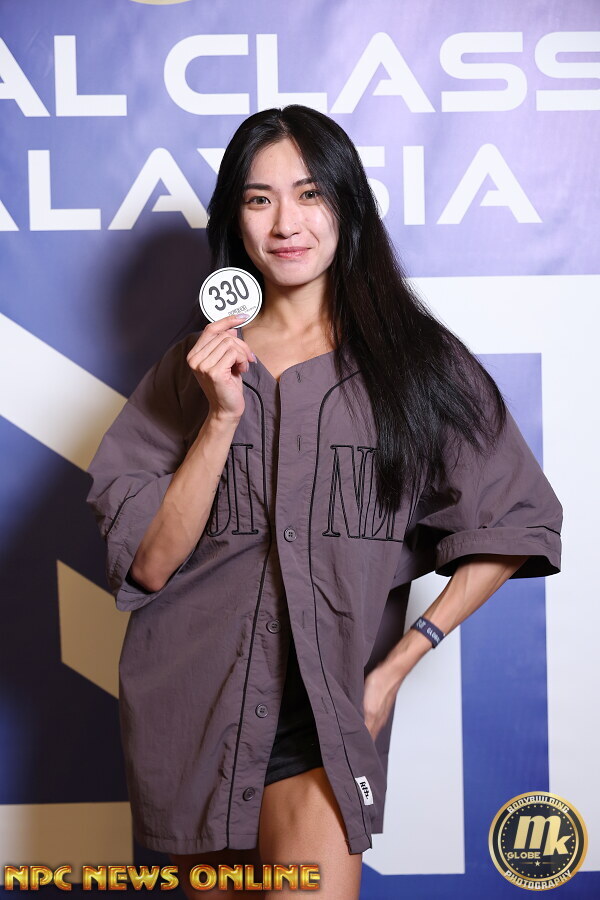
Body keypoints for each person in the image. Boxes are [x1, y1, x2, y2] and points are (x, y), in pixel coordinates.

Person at [85, 105, 562, 899]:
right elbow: (150, 564)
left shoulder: (416, 365)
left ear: (346, 206)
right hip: (194, 715)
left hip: (325, 724)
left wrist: (398, 666)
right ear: (235, 220)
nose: (286, 223)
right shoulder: (190, 369)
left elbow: (517, 520)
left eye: (310, 194)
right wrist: (221, 418)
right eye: (260, 198)